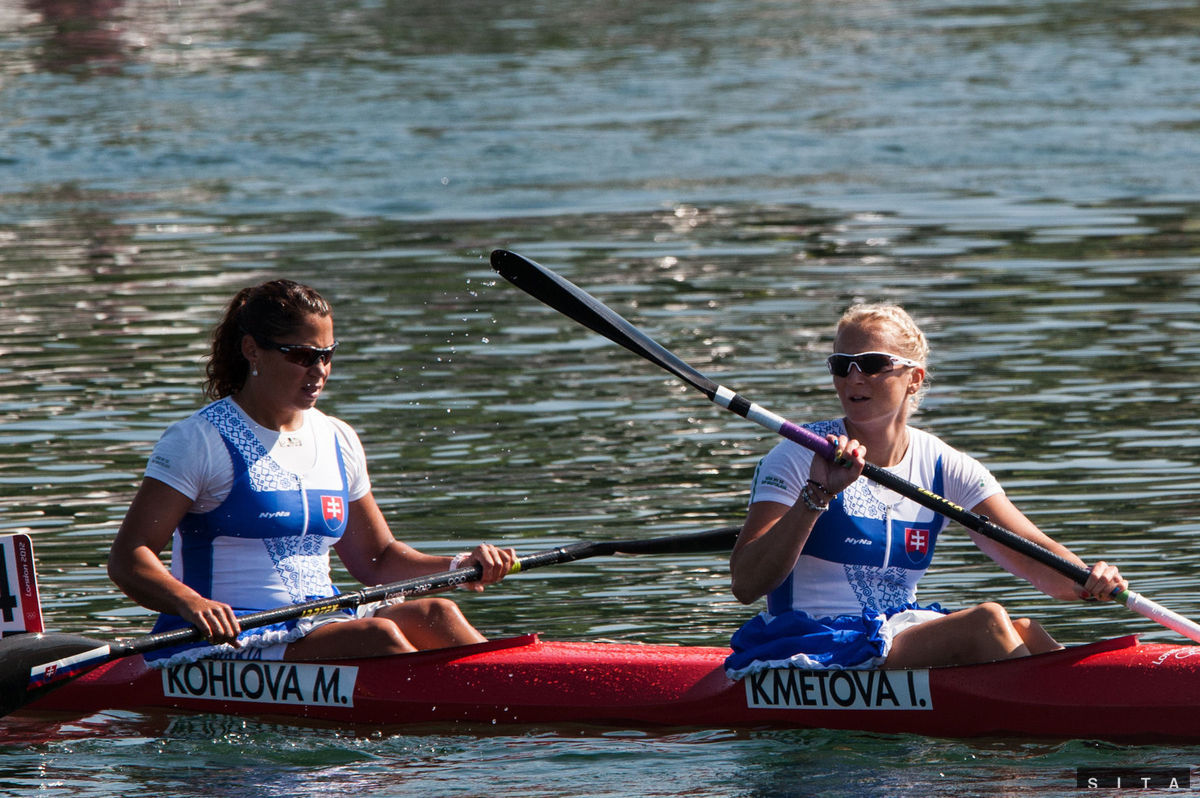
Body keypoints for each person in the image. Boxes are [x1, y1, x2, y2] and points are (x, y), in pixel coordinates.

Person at [108, 279, 516, 666]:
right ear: (252, 350)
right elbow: (129, 557)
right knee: (378, 637)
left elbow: (376, 559)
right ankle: (470, 721)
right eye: (302, 356)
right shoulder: (198, 440)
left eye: (327, 355)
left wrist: (460, 566)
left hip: (322, 621)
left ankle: (512, 697)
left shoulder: (337, 436)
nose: (318, 370)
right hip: (227, 638)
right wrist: (189, 602)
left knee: (437, 613)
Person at [725, 303, 1127, 676]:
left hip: (893, 631)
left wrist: (1090, 579)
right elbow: (746, 584)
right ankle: (1052, 735)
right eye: (841, 365)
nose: (853, 378)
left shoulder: (942, 463)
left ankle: (1083, 714)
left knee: (1025, 630)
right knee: (985, 623)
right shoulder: (799, 454)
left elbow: (1032, 554)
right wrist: (817, 495)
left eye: (872, 364)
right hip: (811, 641)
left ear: (914, 378)